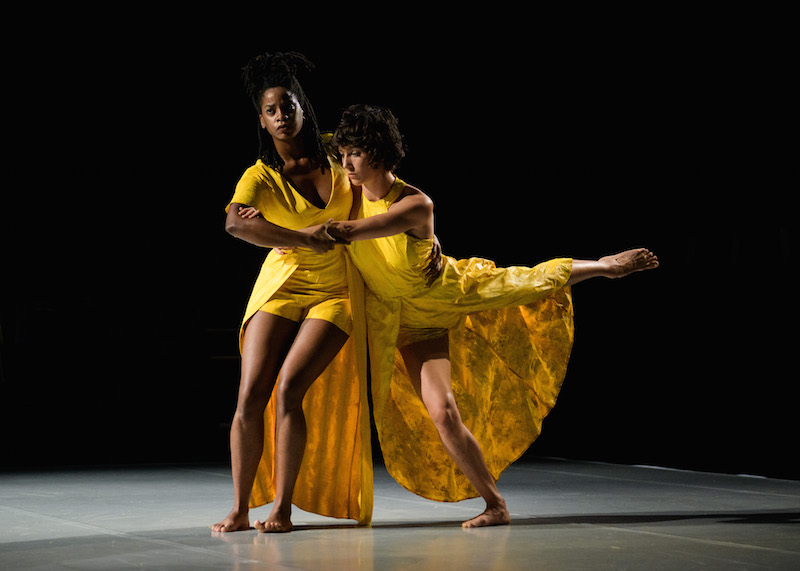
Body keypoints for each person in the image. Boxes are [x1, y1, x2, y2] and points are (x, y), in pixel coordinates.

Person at [315, 104, 657, 527]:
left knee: (518, 289)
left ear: (380, 154)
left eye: (356, 154)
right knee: (418, 409)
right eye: (343, 153)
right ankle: (496, 505)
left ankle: (604, 265)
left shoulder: (416, 205)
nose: (346, 162)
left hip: (442, 295)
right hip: (393, 315)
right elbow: (312, 142)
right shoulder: (347, 187)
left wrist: (284, 236)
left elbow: (350, 232)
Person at [211, 54, 373, 534]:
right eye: (271, 110)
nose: (282, 114)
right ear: (261, 120)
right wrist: (303, 236)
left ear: (303, 107)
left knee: (288, 390)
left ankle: (281, 508)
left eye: (288, 104)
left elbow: (383, 182)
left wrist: (417, 221)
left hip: (339, 287)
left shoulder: (336, 153)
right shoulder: (260, 175)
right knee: (249, 395)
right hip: (284, 280)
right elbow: (233, 222)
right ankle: (240, 510)